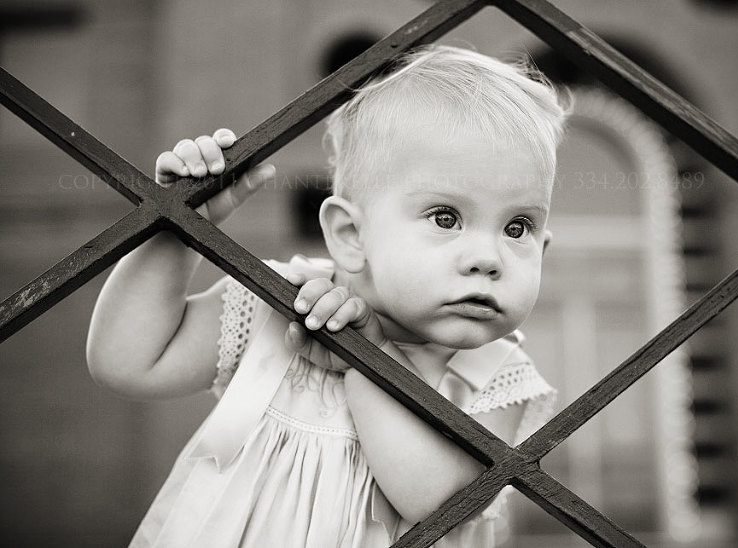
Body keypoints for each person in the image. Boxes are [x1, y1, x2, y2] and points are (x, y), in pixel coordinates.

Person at [86, 45, 568, 547]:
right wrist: (179, 226)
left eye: (519, 227)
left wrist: (369, 359)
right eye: (445, 218)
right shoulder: (279, 303)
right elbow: (126, 360)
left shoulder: (497, 374)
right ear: (350, 236)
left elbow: (431, 499)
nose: (488, 257)